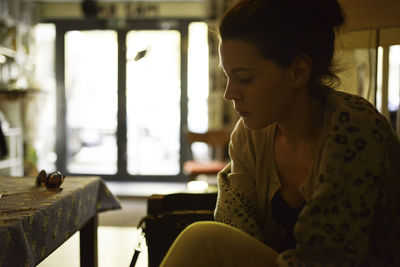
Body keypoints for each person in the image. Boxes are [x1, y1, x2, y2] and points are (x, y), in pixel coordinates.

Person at [160, 0, 400, 266]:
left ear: (297, 72)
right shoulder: (250, 137)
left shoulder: (354, 128)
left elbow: (327, 257)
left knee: (203, 238)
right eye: (228, 76)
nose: (230, 93)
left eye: (244, 78)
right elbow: (236, 231)